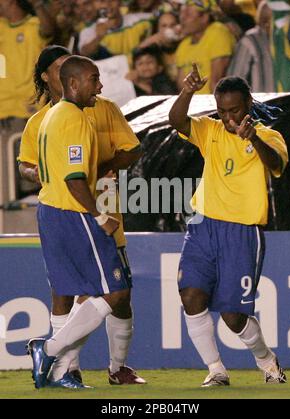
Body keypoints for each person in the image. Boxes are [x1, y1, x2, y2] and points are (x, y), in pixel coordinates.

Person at [25, 55, 144, 389]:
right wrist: (100, 215)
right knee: (116, 290)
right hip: (73, 213)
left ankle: (61, 370)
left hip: (52, 211)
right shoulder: (75, 118)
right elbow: (75, 179)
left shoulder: (51, 117)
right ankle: (48, 350)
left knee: (97, 290)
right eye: (94, 79)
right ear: (73, 83)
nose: (101, 86)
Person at [169, 67, 288, 386]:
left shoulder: (268, 135)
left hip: (242, 231)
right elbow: (177, 121)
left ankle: (266, 361)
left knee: (233, 316)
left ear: (248, 103)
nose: (227, 117)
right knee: (191, 296)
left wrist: (253, 139)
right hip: (203, 226)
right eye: (221, 111)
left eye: (233, 110)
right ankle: (216, 370)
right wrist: (188, 92)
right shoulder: (210, 129)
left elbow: (276, 165)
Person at [227, 1, 275, 92]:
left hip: (289, 103)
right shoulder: (250, 41)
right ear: (266, 22)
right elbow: (234, 81)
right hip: (261, 103)